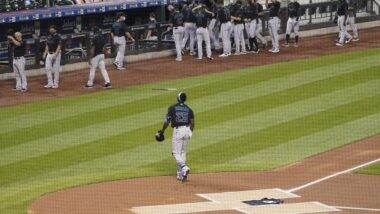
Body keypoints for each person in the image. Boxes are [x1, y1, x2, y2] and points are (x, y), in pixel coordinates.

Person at [158, 92, 195, 182]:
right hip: (187, 130)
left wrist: (162, 131)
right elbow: (192, 123)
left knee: (175, 153)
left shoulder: (172, 108)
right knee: (183, 152)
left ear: (178, 99)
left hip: (178, 131)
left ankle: (184, 167)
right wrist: (189, 132)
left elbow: (167, 121)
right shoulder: (189, 109)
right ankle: (180, 174)